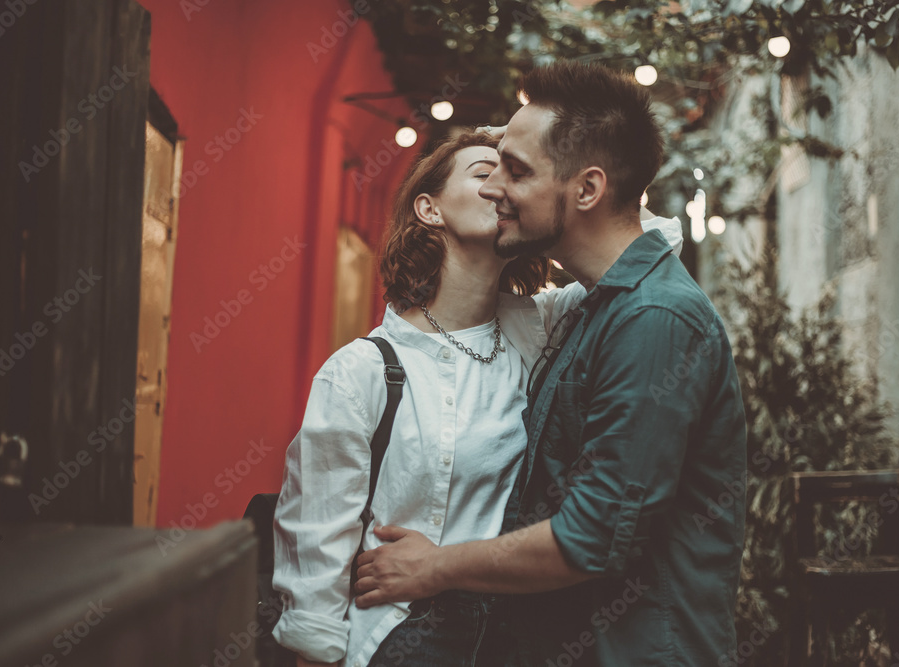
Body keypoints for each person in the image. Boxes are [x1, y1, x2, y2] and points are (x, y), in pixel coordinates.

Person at [353, 61, 747, 666]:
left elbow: (591, 538)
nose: (493, 189)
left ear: (587, 190)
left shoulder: (653, 320)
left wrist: (435, 566)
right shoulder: (591, 311)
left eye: (516, 170)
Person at [271, 130, 684, 667]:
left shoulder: (541, 328)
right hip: (401, 637)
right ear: (429, 209)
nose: (503, 187)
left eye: (514, 175)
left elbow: (653, 243)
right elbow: (317, 543)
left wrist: (545, 161)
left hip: (517, 638)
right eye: (486, 171)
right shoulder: (361, 371)